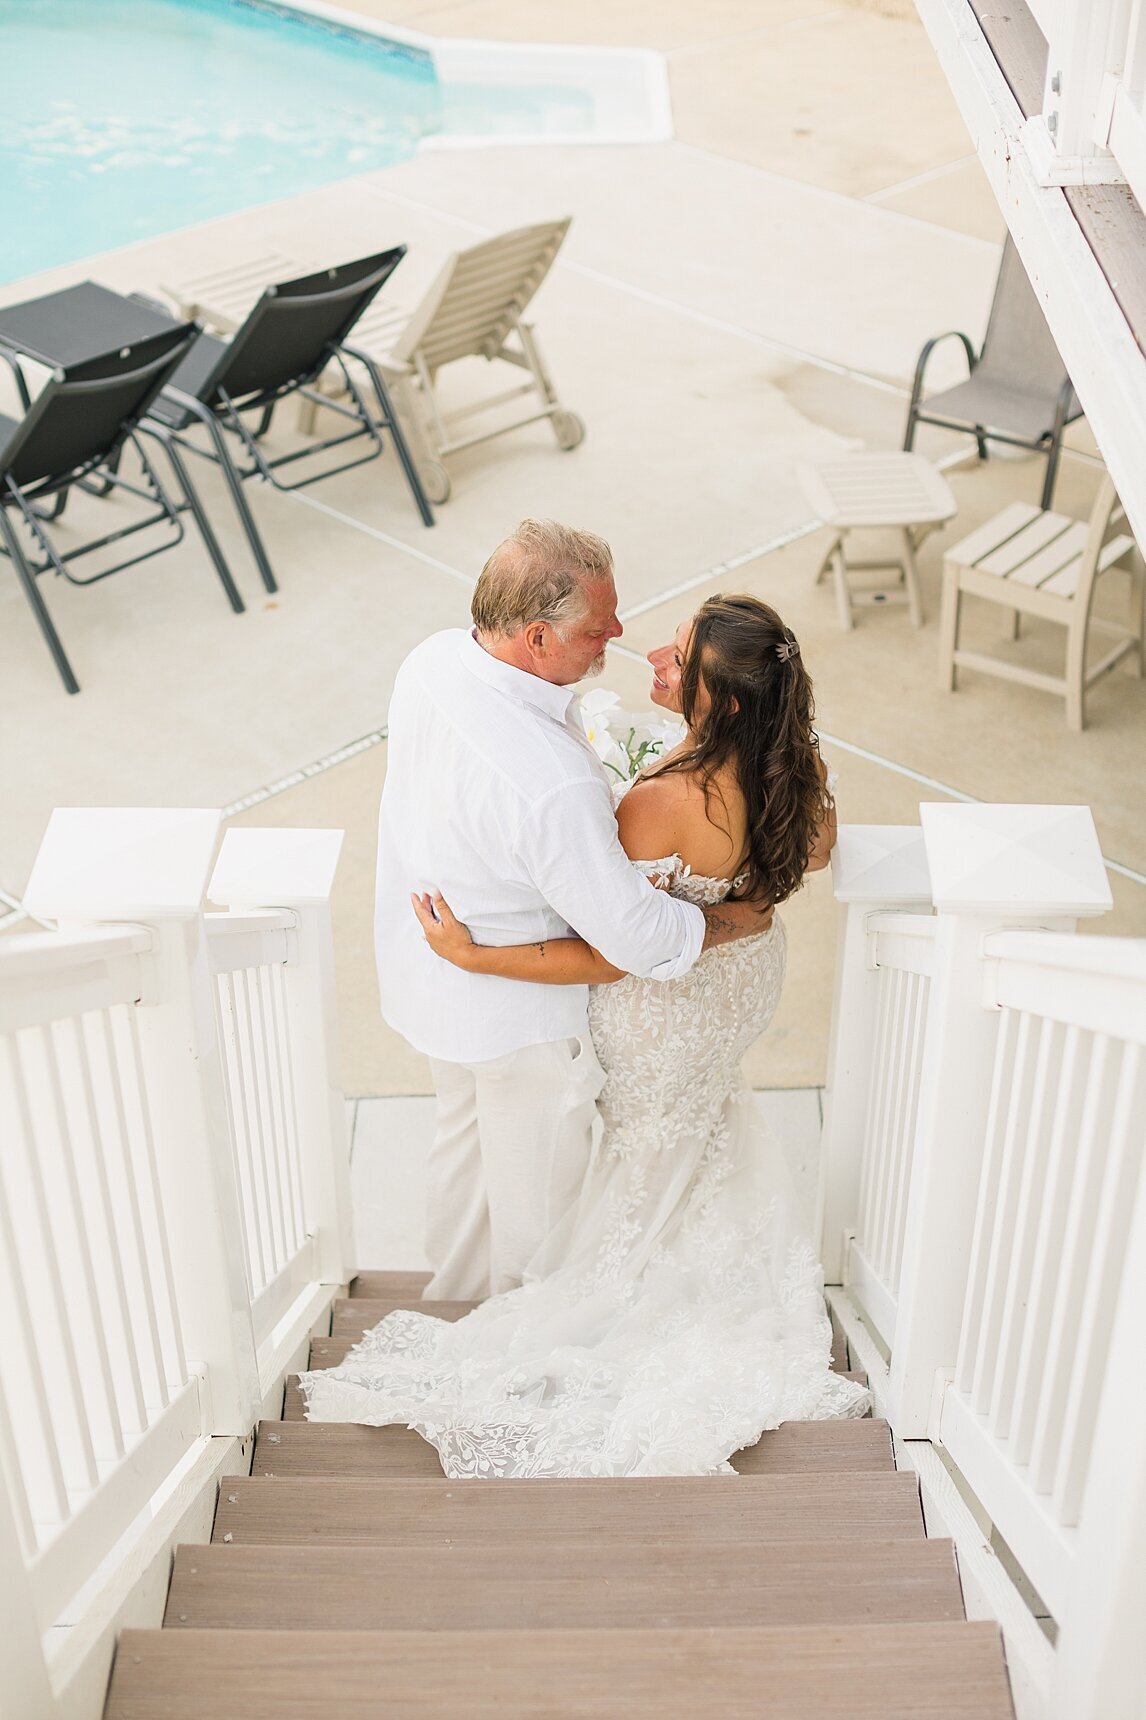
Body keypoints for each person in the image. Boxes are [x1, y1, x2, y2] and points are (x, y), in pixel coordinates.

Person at [299, 592, 869, 1475]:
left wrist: (480, 957)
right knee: (697, 1123)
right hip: (743, 987)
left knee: (643, 1142)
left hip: (670, 1010)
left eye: (679, 662)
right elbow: (817, 845)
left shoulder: (664, 802)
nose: (654, 661)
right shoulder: (790, 759)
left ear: (721, 703)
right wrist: (742, 900)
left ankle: (619, 1285)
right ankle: (687, 1248)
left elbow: (612, 957)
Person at [371, 521, 771, 1303]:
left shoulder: (432, 661)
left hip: (432, 978)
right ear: (538, 636)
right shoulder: (551, 784)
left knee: (463, 1160)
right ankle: (524, 1353)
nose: (619, 635)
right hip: (522, 1025)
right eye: (599, 626)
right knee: (539, 1218)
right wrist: (733, 920)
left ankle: (452, 1306)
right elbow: (642, 942)